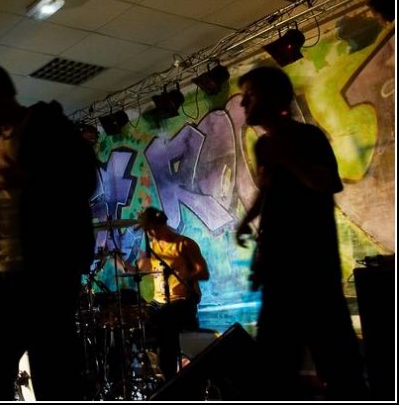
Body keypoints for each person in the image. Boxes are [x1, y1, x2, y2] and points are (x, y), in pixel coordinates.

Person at [0, 62, 98, 401]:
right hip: (2, 274)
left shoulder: (49, 124)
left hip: (47, 271)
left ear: (6, 94)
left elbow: (85, 181)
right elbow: (5, 196)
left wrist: (30, 181)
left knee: (55, 375)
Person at [235, 66, 369, 400]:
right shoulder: (263, 146)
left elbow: (329, 183)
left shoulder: (308, 138)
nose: (243, 104)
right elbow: (268, 191)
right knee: (275, 369)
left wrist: (290, 159)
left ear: (272, 97)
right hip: (277, 271)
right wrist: (246, 220)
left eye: (249, 96)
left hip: (313, 270)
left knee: (340, 367)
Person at [135, 206, 209, 382]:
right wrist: (128, 266)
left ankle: (171, 373)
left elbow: (204, 273)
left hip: (181, 301)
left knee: (166, 323)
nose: (150, 233)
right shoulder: (154, 246)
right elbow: (143, 269)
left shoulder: (185, 244)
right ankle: (155, 368)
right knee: (138, 318)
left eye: (151, 228)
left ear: (162, 224)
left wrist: (187, 275)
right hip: (159, 302)